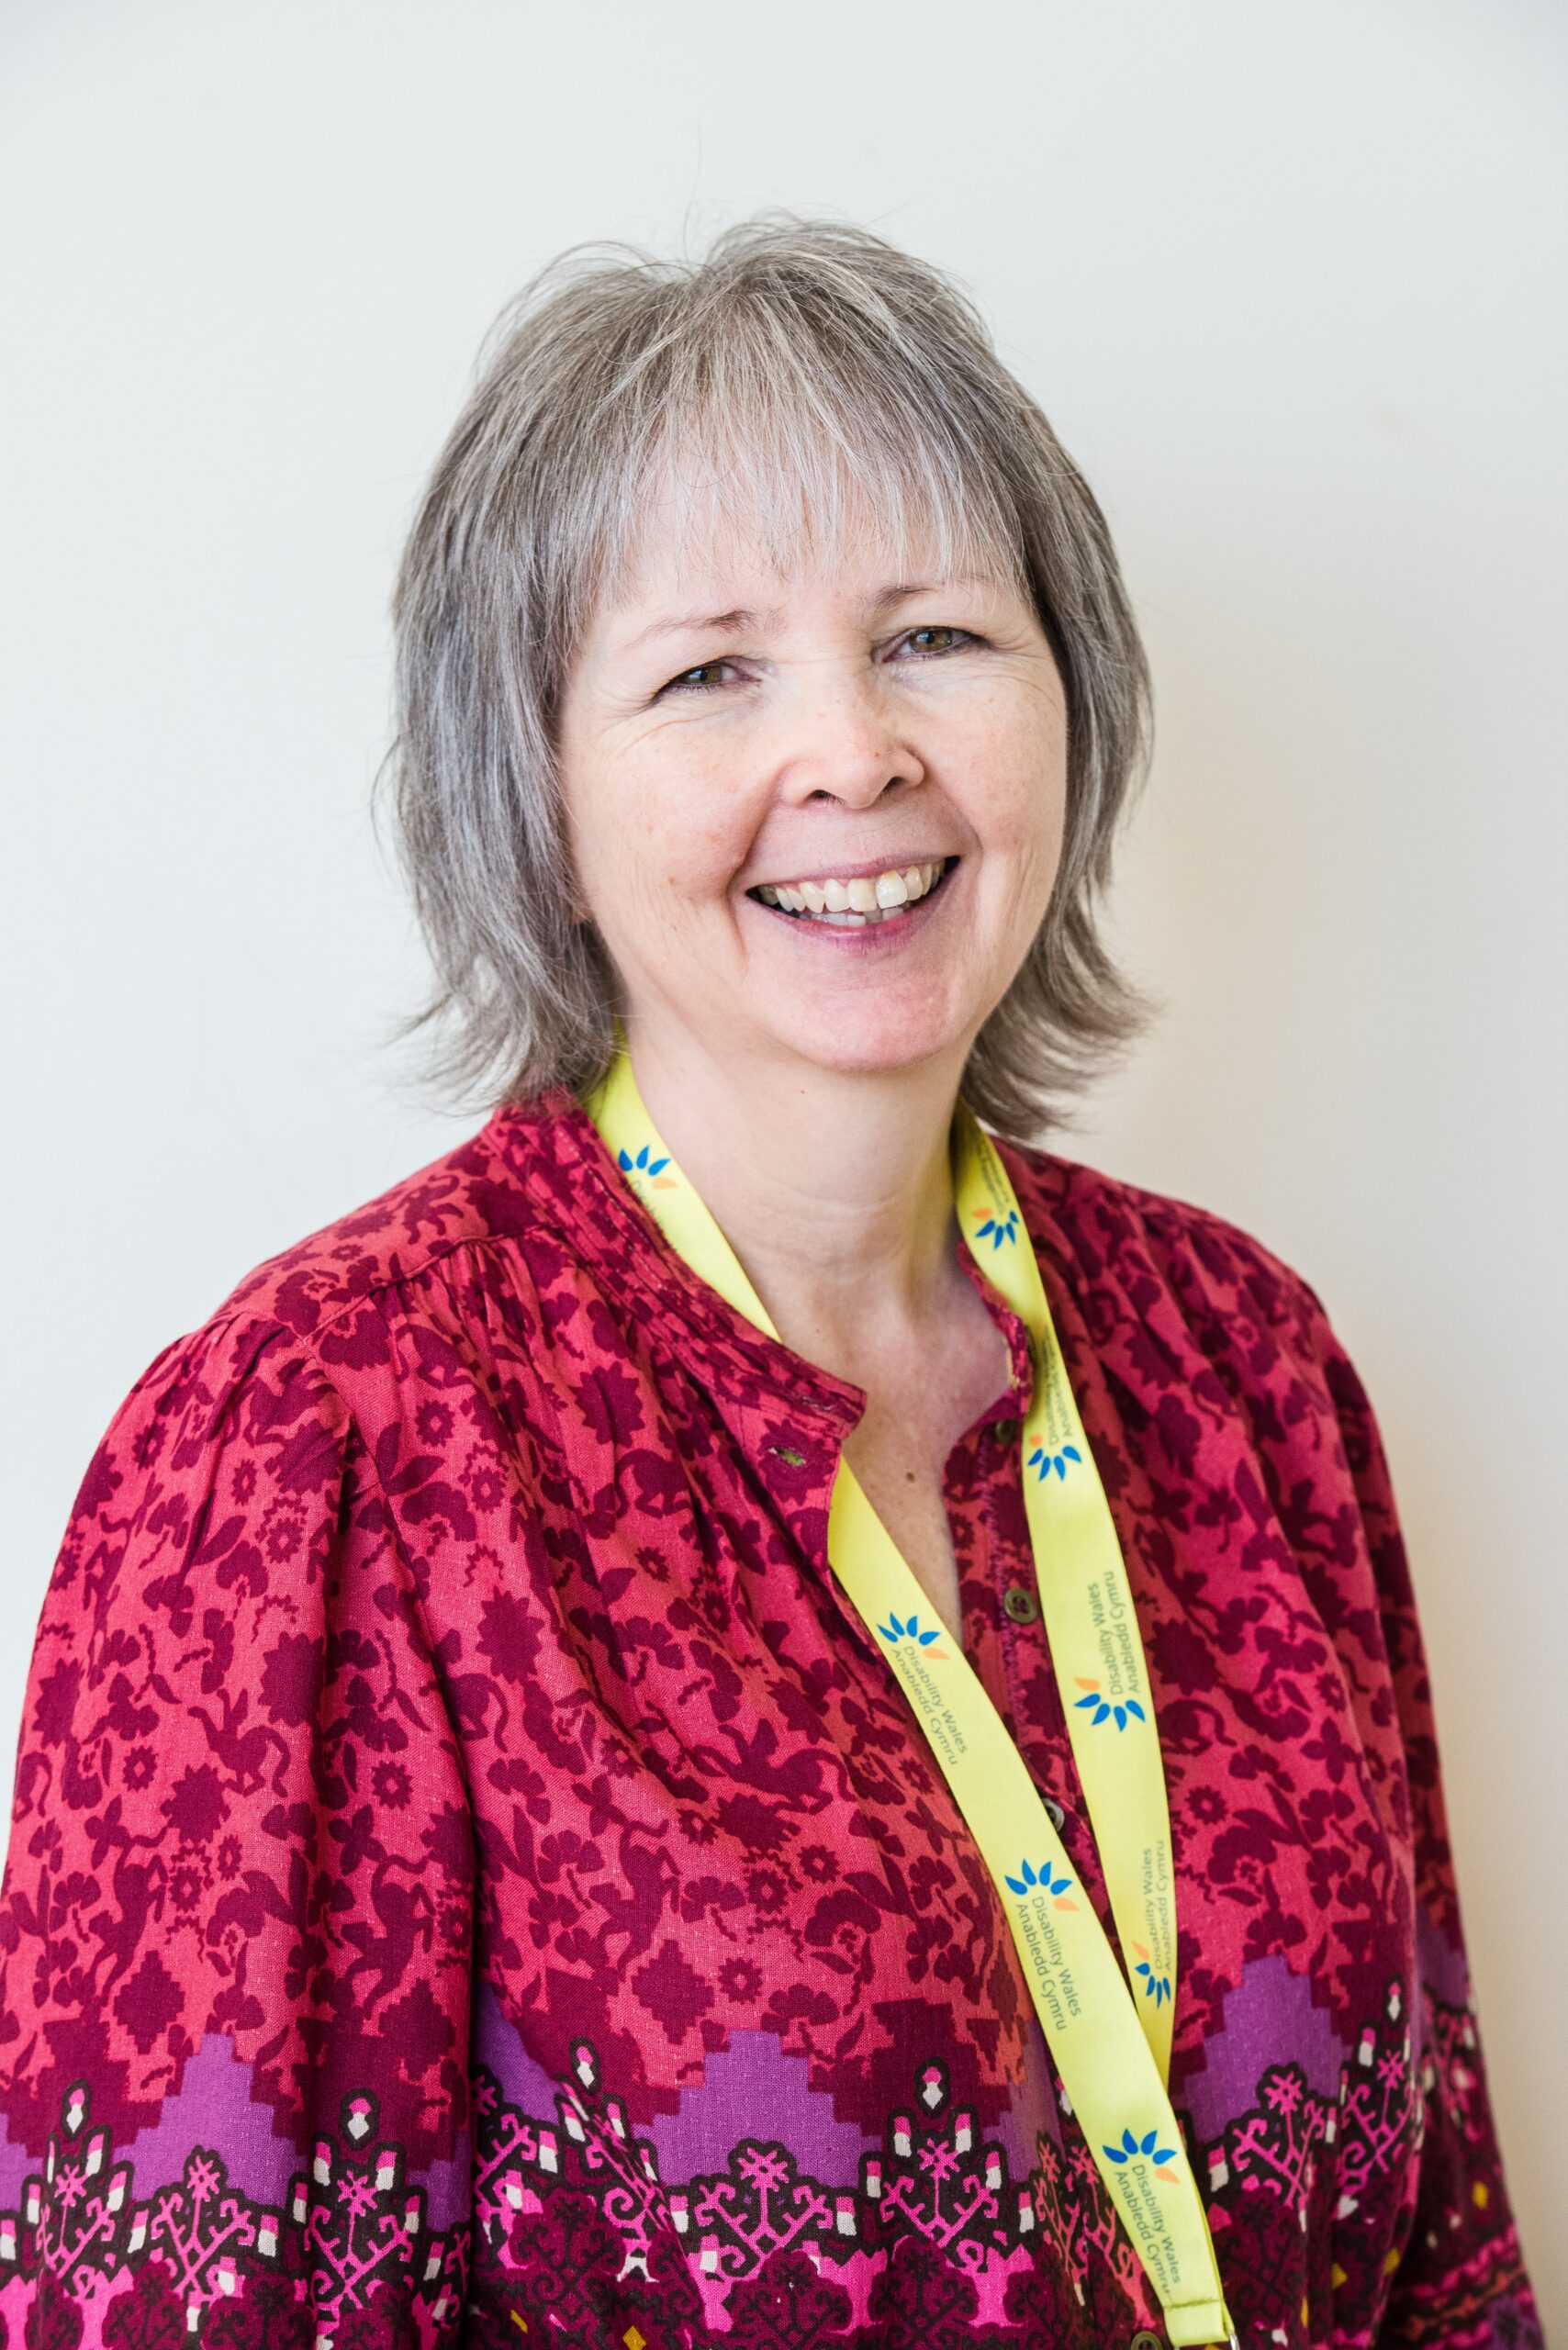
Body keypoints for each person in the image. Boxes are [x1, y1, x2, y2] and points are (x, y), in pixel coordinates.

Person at [0, 216, 1540, 2350]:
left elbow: (1445, 2239)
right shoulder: (318, 1443)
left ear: (1062, 699)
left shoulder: (1242, 1365)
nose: (852, 750)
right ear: (531, 789)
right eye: (709, 668)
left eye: (930, 638)